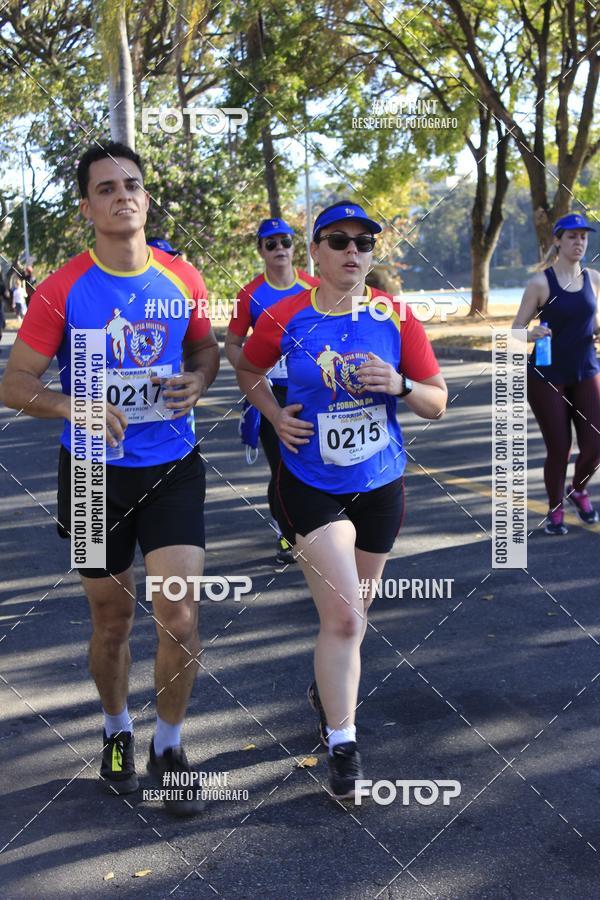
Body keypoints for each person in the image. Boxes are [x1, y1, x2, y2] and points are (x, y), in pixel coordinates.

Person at [0, 141, 220, 816]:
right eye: (106, 188)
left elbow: (205, 349)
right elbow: (15, 383)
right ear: (87, 208)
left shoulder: (182, 276)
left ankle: (170, 747)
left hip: (172, 466)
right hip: (93, 475)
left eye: (131, 185)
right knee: (112, 618)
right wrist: (75, 406)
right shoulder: (62, 289)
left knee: (179, 616)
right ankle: (117, 730)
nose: (122, 196)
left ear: (146, 198)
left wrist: (198, 381)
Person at [236, 201, 447, 799]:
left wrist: (401, 385)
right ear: (316, 252)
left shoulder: (396, 316)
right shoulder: (285, 315)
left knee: (355, 615)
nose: (353, 250)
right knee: (346, 616)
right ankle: (343, 743)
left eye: (364, 242)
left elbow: (436, 401)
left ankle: (326, 693)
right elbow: (247, 368)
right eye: (338, 240)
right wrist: (274, 415)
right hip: (310, 484)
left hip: (380, 485)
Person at [225, 217, 318, 563]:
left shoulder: (314, 287)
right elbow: (232, 344)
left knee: (314, 462)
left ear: (294, 248)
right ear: (261, 250)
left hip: (311, 390)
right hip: (271, 392)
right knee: (282, 466)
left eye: (285, 242)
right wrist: (252, 371)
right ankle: (286, 534)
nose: (280, 248)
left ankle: (318, 530)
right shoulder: (249, 294)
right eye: (271, 243)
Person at [512, 212, 600, 535]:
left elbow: (591, 322)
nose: (579, 242)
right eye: (572, 236)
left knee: (595, 444)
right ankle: (555, 508)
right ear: (558, 241)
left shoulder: (593, 278)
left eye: (583, 237)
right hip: (547, 376)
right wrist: (530, 334)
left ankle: (578, 489)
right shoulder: (540, 283)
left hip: (586, 369)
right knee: (560, 448)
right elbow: (515, 331)